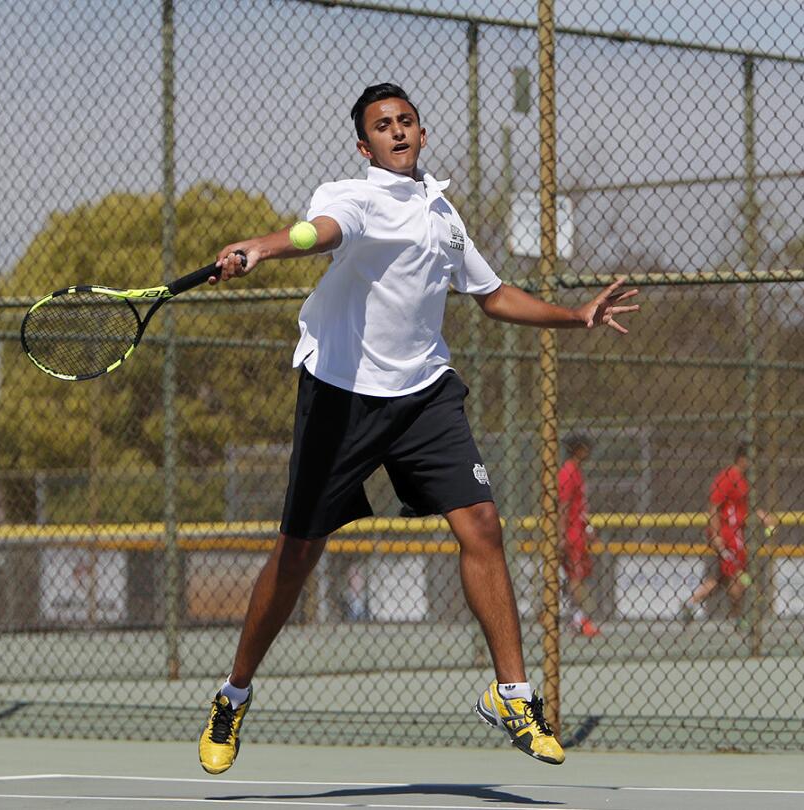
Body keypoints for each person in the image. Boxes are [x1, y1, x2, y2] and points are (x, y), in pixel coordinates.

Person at [193, 83, 639, 774]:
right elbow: (321, 233)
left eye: (405, 121)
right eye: (382, 125)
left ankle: (513, 695)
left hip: (424, 395)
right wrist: (265, 246)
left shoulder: (443, 215)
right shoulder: (354, 195)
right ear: (364, 144)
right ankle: (233, 694)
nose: (396, 132)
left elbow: (492, 296)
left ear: (422, 134)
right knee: (296, 557)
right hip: (342, 395)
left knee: (483, 526)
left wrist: (575, 315)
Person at [681, 444, 777, 624]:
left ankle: (691, 604)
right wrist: (716, 535)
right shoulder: (727, 477)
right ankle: (738, 616)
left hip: (736, 534)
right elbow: (714, 507)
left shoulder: (742, 480)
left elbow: (744, 508)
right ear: (742, 458)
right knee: (737, 575)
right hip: (728, 536)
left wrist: (762, 515)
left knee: (720, 579)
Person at [558, 434, 601, 637]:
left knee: (578, 577)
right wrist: (560, 535)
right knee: (575, 577)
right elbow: (564, 506)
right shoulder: (568, 472)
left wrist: (589, 528)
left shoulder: (576, 471)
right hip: (571, 534)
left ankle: (576, 618)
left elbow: (579, 506)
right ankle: (579, 619)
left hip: (578, 532)